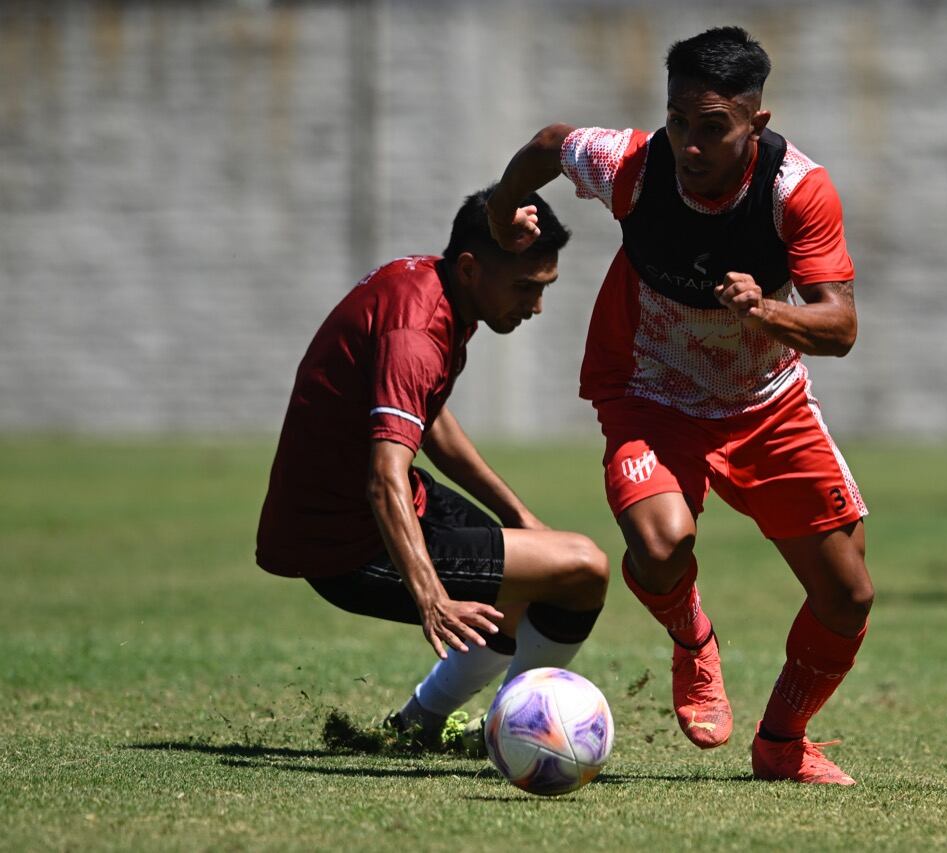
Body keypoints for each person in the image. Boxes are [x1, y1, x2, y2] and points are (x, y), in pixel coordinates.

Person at [486, 26, 873, 785]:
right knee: (660, 545)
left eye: (712, 128)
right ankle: (693, 640)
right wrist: (505, 209)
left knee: (848, 594)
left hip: (767, 403)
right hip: (649, 389)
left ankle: (782, 743)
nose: (689, 145)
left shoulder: (798, 191)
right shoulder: (631, 165)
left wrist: (766, 313)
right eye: (677, 121)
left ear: (754, 125)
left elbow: (842, 325)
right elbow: (548, 143)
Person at [255, 186, 609, 752]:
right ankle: (519, 735)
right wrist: (431, 599)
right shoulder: (418, 332)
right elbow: (382, 477)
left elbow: (429, 419)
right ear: (472, 268)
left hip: (373, 511)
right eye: (525, 288)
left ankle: (414, 728)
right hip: (345, 546)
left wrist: (517, 515)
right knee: (582, 570)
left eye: (544, 289)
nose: (536, 307)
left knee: (532, 575)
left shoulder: (428, 282)